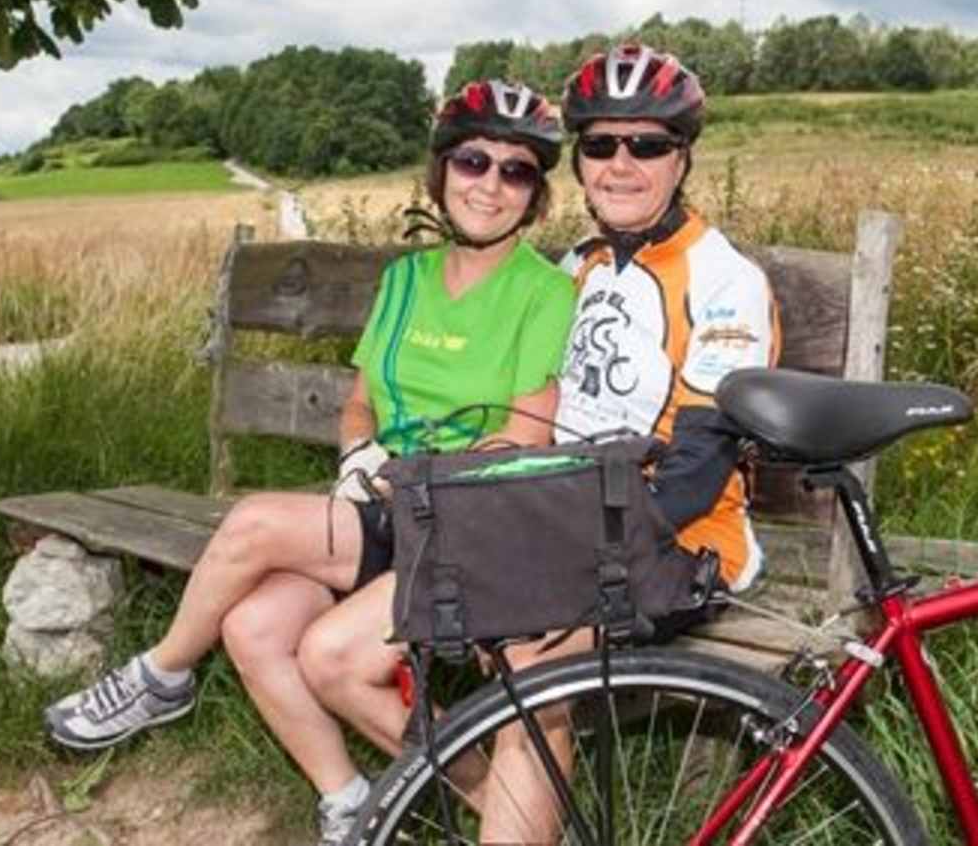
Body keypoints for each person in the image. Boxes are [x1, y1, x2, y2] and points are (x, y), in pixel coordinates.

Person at [42, 80, 577, 845]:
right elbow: (361, 403)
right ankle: (354, 799)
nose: (489, 184)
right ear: (442, 172)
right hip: (379, 504)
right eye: (472, 160)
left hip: (461, 518)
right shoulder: (404, 282)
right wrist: (359, 451)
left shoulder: (544, 293)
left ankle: (160, 676)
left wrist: (409, 478)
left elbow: (529, 437)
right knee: (255, 627)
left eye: (515, 171)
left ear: (536, 198)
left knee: (255, 520)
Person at [302, 42, 778, 842]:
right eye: (601, 145)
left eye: (648, 145)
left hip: (674, 540)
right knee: (331, 658)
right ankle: (520, 812)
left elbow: (697, 471)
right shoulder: (577, 269)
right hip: (543, 515)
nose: (621, 165)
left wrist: (566, 555)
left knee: (530, 665)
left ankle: (524, 819)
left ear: (682, 158)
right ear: (581, 162)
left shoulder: (724, 280)